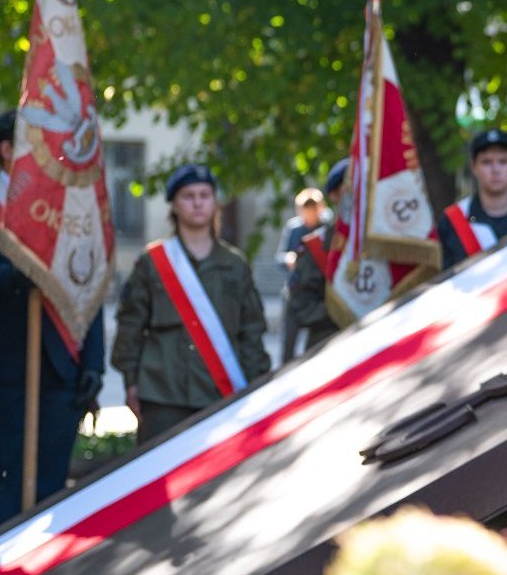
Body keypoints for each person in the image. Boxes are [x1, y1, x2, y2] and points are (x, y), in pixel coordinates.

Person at [0, 111, 106, 534]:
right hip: (2, 370)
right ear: (7, 151)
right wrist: (19, 271)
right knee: (0, 486)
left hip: (59, 366)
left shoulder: (71, 208)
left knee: (49, 487)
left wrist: (93, 363)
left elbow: (90, 284)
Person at [111, 164, 271, 444]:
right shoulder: (153, 262)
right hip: (162, 393)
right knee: (159, 479)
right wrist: (131, 382)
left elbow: (251, 330)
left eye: (204, 195)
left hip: (221, 392)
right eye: (188, 196)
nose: (197, 203)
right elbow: (130, 325)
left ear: (214, 202)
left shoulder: (235, 265)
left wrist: (255, 384)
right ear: (173, 205)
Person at [435, 129, 507, 269]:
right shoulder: (452, 221)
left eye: (503, 161)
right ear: (474, 167)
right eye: (486, 162)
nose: (495, 169)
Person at [288, 159, 347, 350]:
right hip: (331, 343)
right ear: (335, 195)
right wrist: (337, 311)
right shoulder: (317, 245)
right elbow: (301, 303)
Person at [277, 187, 328, 362]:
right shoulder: (294, 229)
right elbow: (280, 257)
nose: (308, 215)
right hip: (295, 293)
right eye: (304, 211)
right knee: (288, 345)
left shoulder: (326, 229)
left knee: (317, 346)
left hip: (317, 294)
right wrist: (288, 259)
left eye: (312, 210)